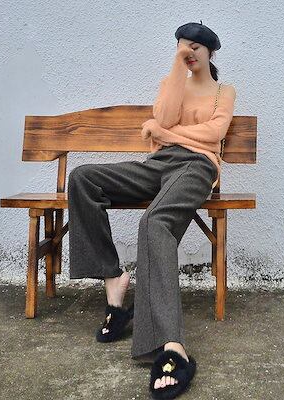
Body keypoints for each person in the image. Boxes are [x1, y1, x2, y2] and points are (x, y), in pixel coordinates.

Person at [67, 20, 236, 399]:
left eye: (194, 47)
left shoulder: (223, 91)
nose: (187, 52)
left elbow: (213, 134)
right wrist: (177, 70)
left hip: (198, 166)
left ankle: (171, 345)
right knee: (83, 178)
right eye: (181, 47)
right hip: (158, 165)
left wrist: (165, 135)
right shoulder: (171, 82)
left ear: (210, 52)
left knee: (155, 222)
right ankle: (114, 281)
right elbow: (164, 117)